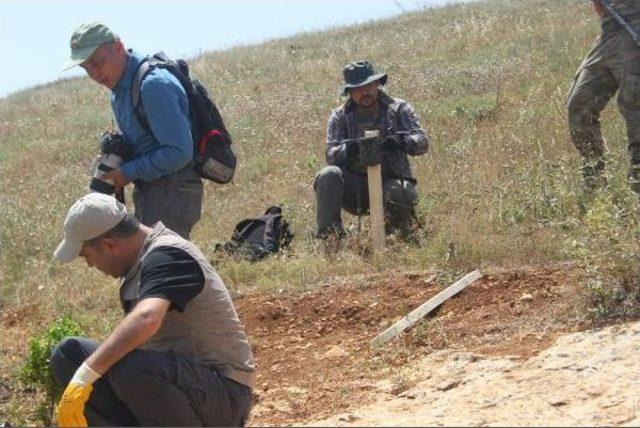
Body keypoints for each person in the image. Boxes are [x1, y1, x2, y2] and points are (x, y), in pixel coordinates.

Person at [50, 193, 255, 427]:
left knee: (131, 370)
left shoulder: (168, 255)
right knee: (70, 355)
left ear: (109, 245)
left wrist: (85, 376)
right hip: (178, 387)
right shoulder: (142, 263)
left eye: (88, 256)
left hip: (222, 395)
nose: (89, 265)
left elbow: (147, 318)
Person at [64, 22, 202, 239]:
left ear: (118, 47)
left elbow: (179, 151)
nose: (95, 74)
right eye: (86, 68)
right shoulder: (118, 91)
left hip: (173, 190)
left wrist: (127, 172)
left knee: (164, 265)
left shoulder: (153, 86)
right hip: (153, 190)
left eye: (98, 63)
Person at [314, 60, 429, 239]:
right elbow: (330, 154)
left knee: (401, 192)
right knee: (327, 175)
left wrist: (401, 141)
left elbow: (422, 143)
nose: (364, 92)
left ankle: (398, 237)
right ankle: (330, 240)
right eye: (357, 89)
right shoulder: (339, 116)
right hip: (355, 188)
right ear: (349, 92)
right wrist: (349, 149)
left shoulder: (399, 108)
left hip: (391, 182)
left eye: (368, 85)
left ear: (377, 83)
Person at [567, 0, 640, 192]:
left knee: (635, 108)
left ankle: (638, 183)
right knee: (579, 103)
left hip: (635, 30)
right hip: (610, 31)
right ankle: (595, 177)